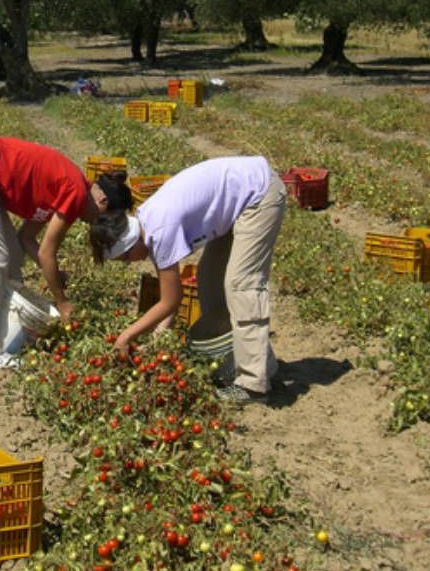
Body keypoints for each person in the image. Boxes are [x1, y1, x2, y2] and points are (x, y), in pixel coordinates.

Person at [89, 156, 287, 405]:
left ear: (130, 245)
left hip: (258, 193)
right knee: (209, 278)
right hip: (235, 202)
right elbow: (169, 297)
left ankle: (253, 384)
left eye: (125, 259)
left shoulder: (159, 231)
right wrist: (157, 342)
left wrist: (126, 336)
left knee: (241, 284)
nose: (130, 263)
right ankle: (244, 359)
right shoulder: (147, 223)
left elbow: (171, 301)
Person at [0, 137, 125, 369]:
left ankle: (5, 334)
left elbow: (26, 239)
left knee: (12, 256)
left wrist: (54, 275)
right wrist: (62, 301)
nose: (94, 223)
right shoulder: (76, 192)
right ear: (102, 200)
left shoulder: (68, 187)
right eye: (101, 218)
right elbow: (47, 253)